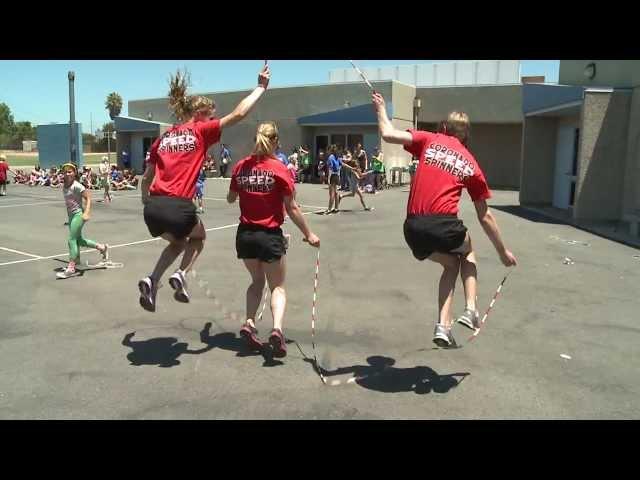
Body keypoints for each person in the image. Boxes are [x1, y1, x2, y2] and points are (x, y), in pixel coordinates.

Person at [372, 91, 517, 348]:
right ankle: (471, 309)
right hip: (443, 225)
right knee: (468, 250)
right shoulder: (470, 163)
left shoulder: (429, 139)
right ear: (467, 136)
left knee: (451, 264)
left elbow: (387, 133)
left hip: (413, 228)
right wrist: (502, 251)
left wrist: (380, 107)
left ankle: (443, 327)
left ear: (443, 127)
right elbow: (485, 215)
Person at [138, 63, 270, 312]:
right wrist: (260, 88)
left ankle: (152, 280)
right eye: (210, 114)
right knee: (198, 238)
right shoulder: (200, 131)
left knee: (177, 242)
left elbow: (146, 178)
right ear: (199, 113)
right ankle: (181, 274)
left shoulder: (163, 138)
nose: (212, 119)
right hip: (178, 206)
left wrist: (146, 199)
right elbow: (238, 115)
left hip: (153, 208)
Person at [227, 121, 320, 358]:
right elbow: (292, 207)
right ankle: (277, 329)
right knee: (277, 286)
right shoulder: (279, 169)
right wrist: (309, 234)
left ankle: (249, 322)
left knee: (256, 282)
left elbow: (230, 198)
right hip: (269, 235)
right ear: (275, 141)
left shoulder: (240, 167)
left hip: (245, 235)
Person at [56, 163, 109, 279]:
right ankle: (101, 247)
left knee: (71, 240)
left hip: (79, 215)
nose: (67, 173)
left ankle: (71, 267)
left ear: (74, 173)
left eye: (70, 171)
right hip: (71, 216)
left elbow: (88, 197)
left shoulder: (77, 186)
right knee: (79, 240)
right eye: (65, 171)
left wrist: (87, 212)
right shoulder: (64, 184)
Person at [325, 145, 341, 214]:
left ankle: (329, 209)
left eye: (327, 150)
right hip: (337, 175)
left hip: (332, 175)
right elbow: (341, 165)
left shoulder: (330, 157)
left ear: (330, 150)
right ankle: (336, 208)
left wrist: (328, 178)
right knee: (336, 192)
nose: (327, 152)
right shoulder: (338, 157)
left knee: (331, 193)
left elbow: (330, 169)